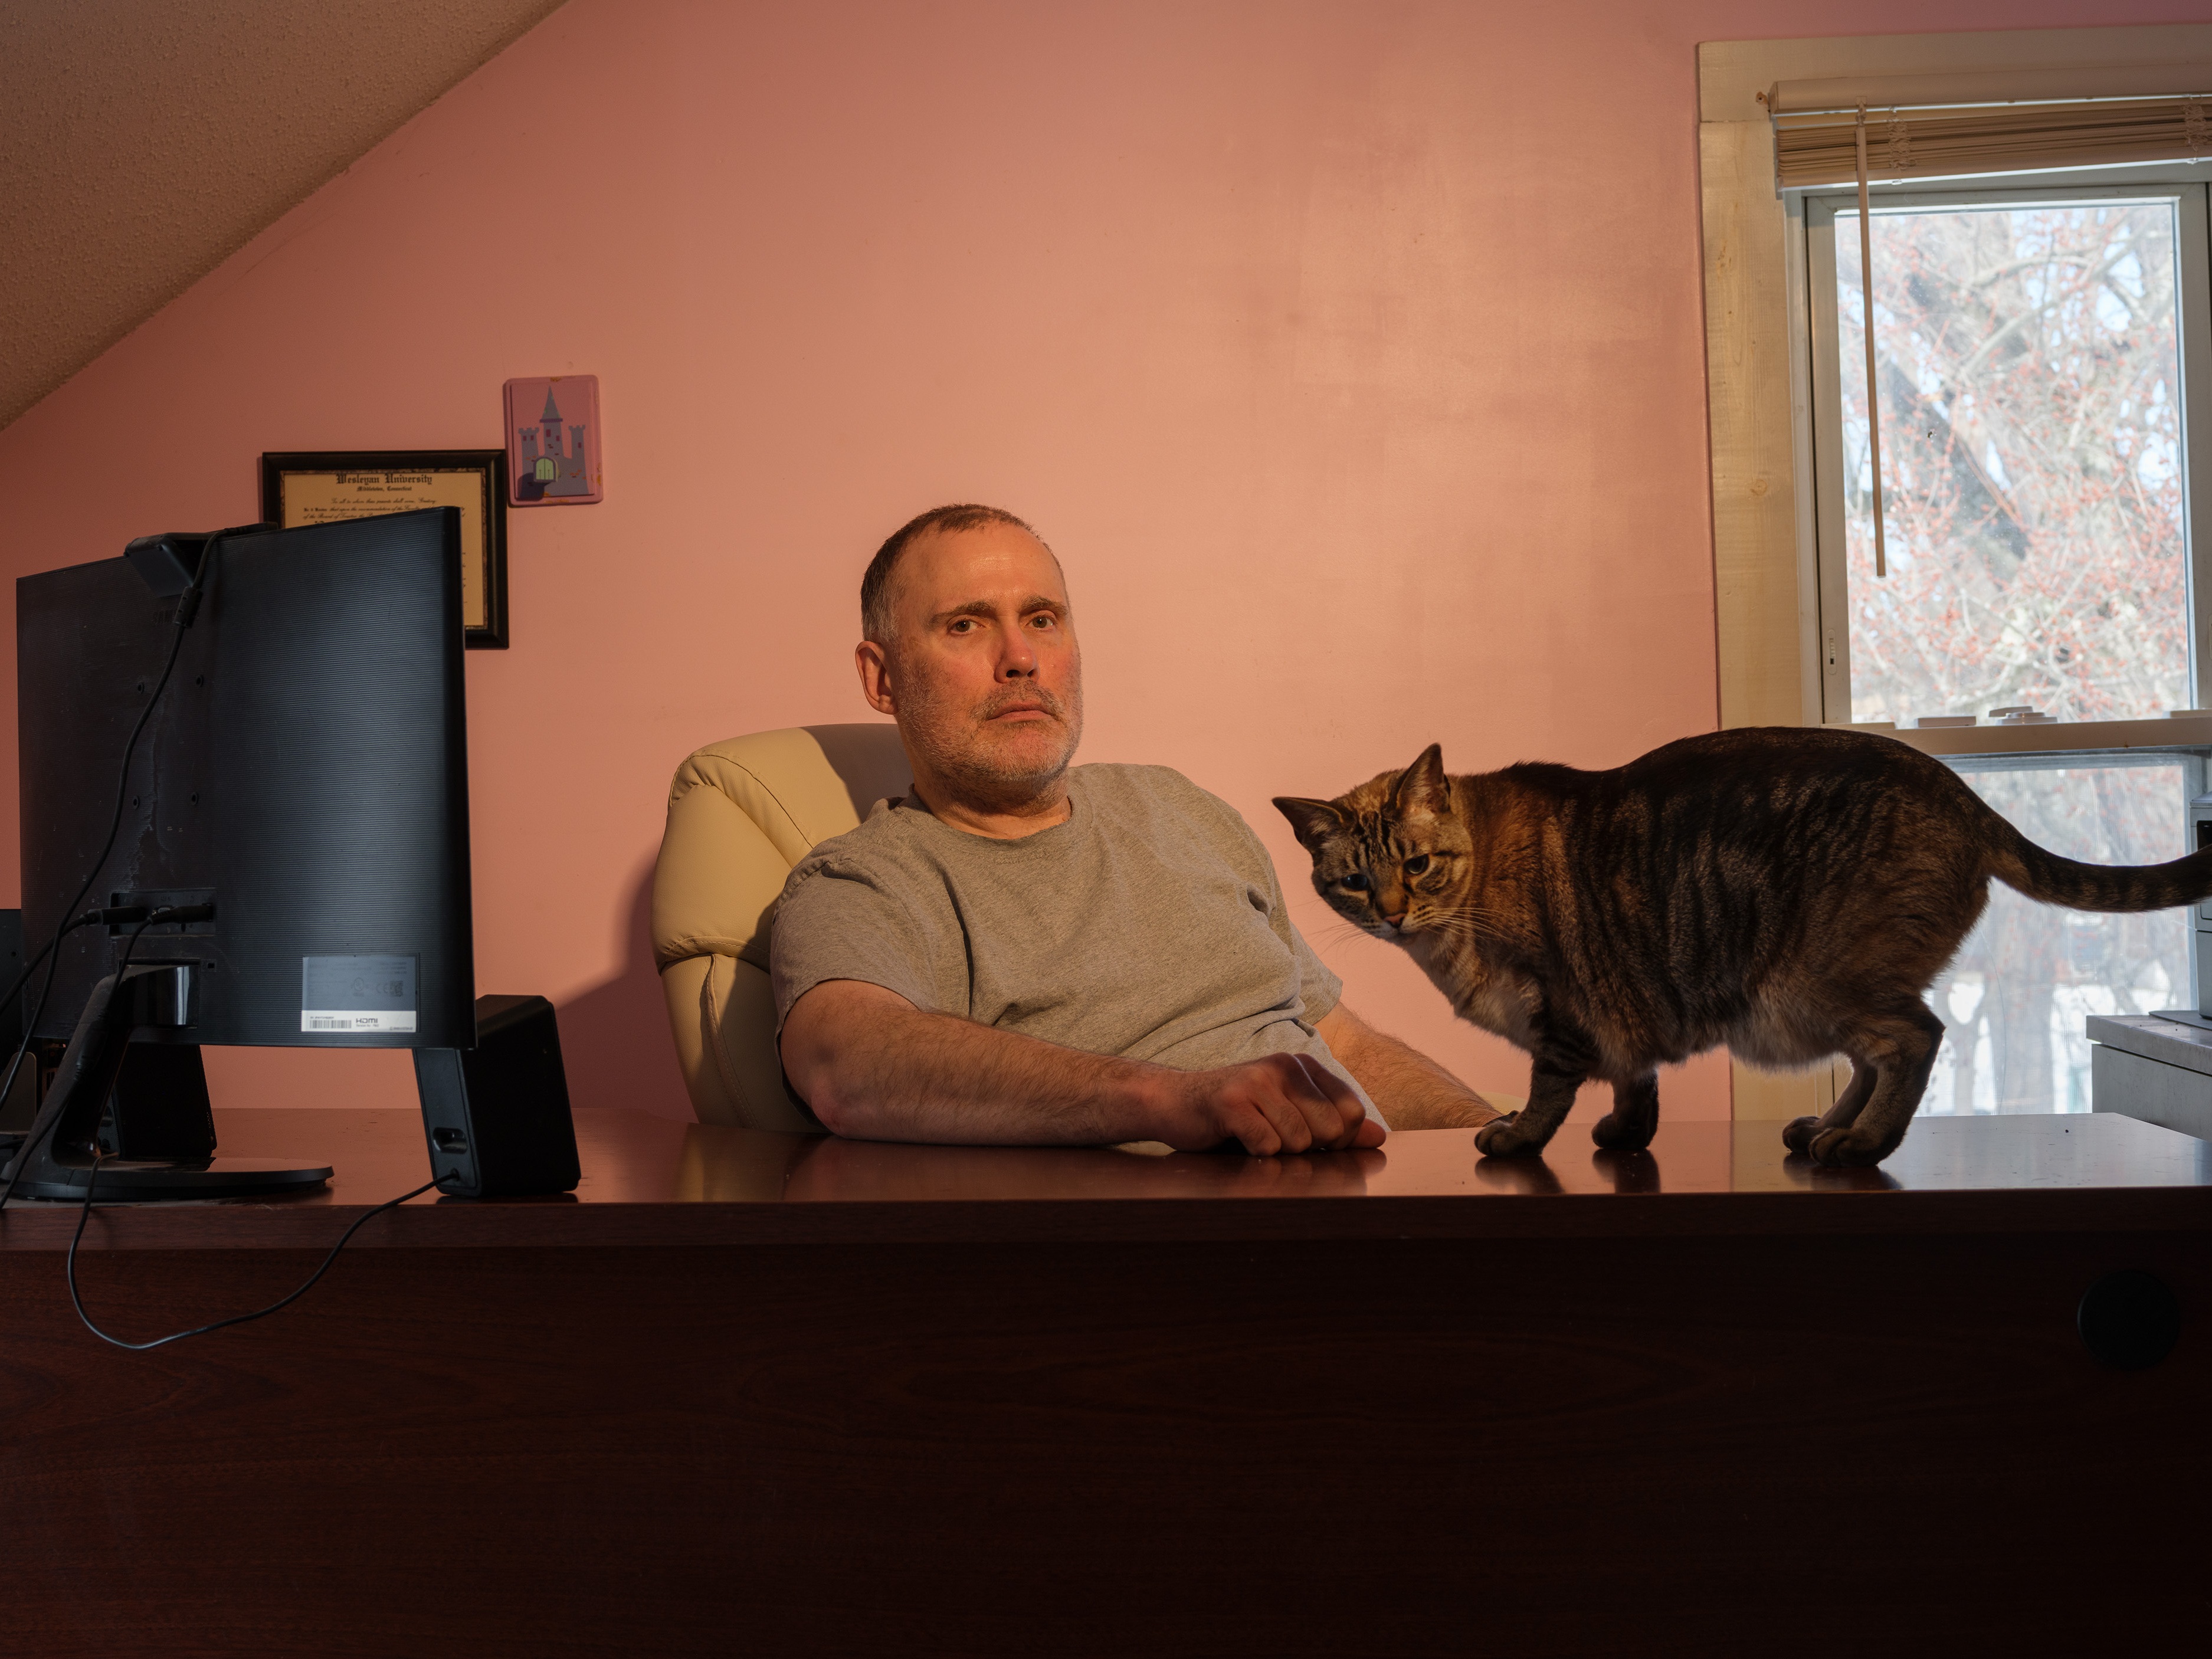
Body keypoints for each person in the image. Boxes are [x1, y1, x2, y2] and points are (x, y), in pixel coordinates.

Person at [771, 504, 1504, 1155]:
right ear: (882, 679)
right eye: (964, 624)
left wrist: (1498, 1142)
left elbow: (1339, 1040)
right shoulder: (863, 880)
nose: (1020, 658)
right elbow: (848, 1065)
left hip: (1377, 1224)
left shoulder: (1177, 806)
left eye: (1041, 619)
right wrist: (1168, 1100)